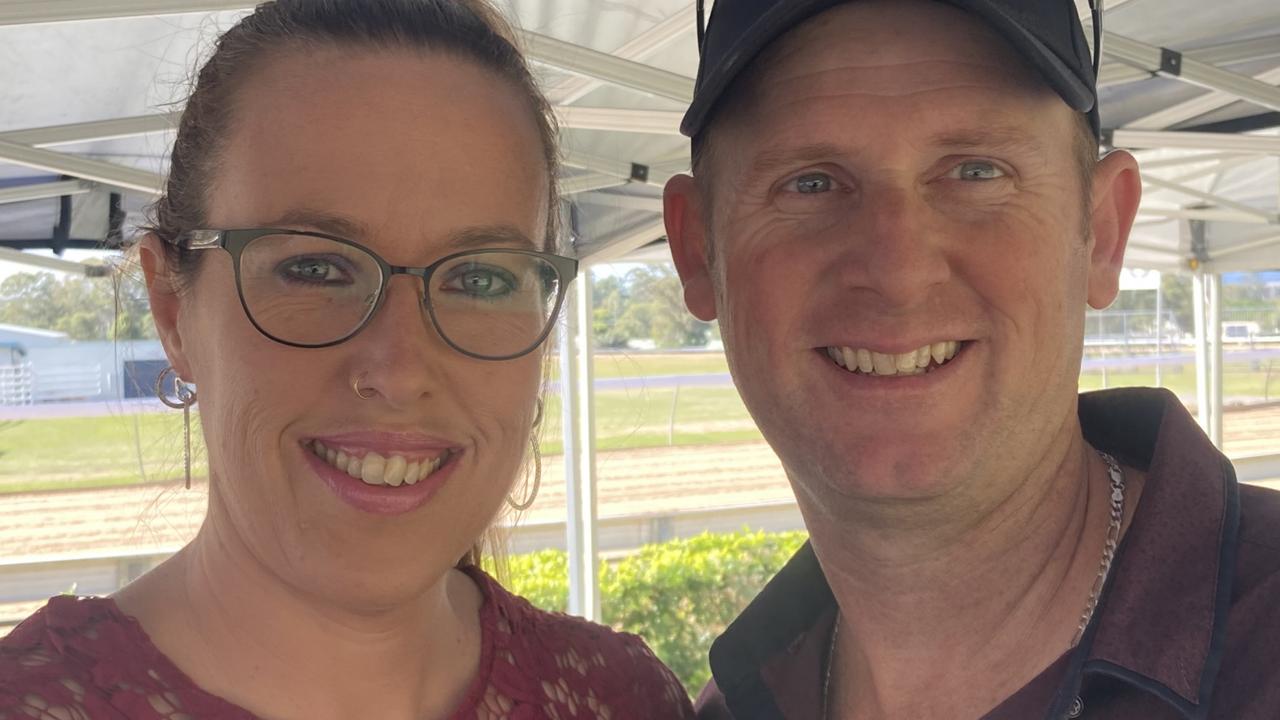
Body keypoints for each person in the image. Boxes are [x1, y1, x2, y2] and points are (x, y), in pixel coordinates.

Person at [0, 2, 696, 718]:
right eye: (314, 270)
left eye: (479, 278)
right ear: (174, 309)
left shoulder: (622, 699)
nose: (397, 371)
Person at [663, 0, 1280, 718]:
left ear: (1103, 233)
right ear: (699, 252)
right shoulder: (730, 708)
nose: (897, 270)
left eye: (977, 172)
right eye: (810, 183)